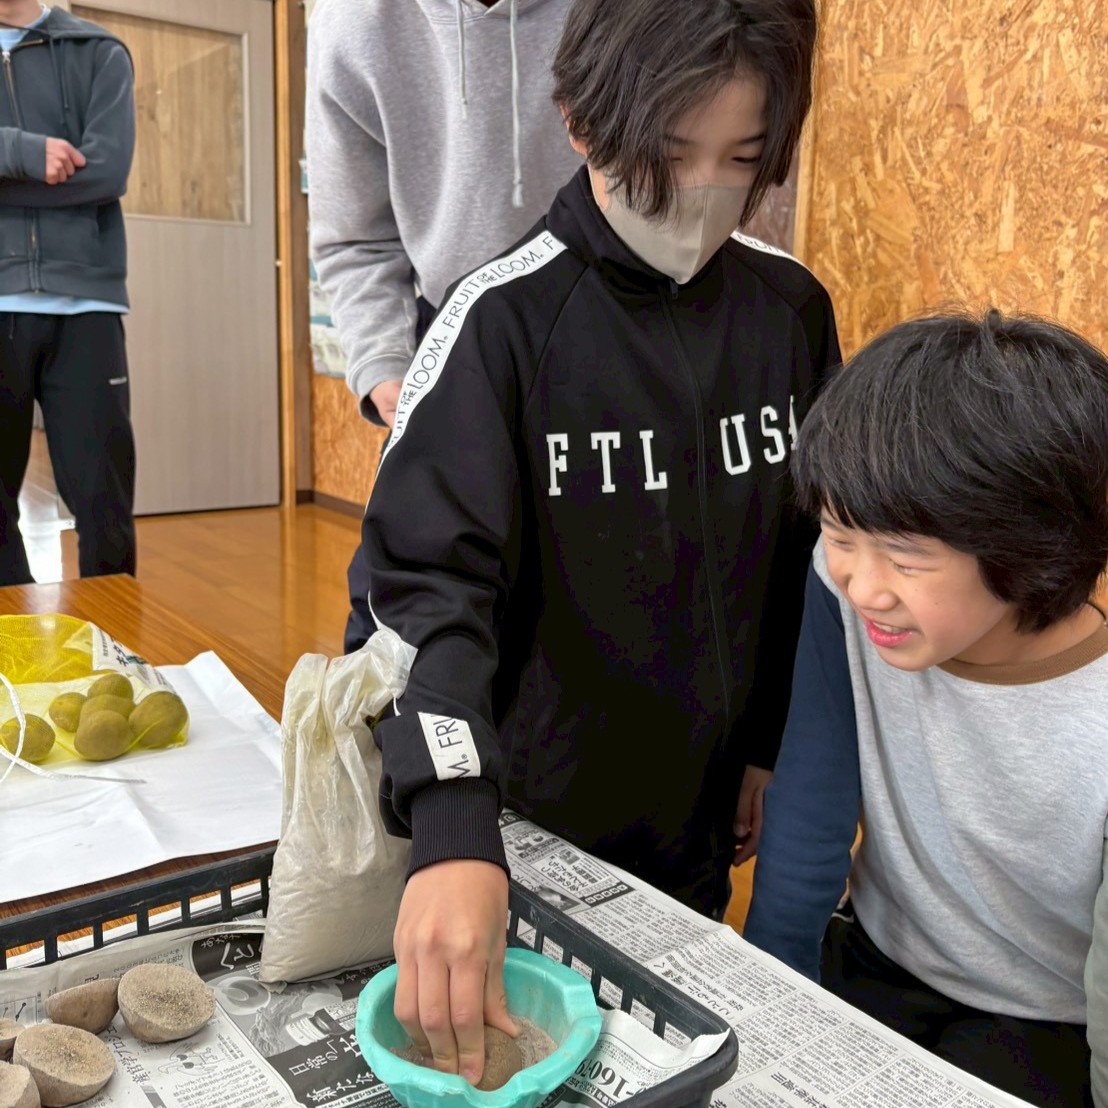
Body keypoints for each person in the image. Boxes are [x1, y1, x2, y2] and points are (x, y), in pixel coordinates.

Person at [361, 0, 838, 1086]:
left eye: (743, 159)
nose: (702, 191)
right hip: (534, 826)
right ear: (581, 119)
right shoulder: (499, 322)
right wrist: (453, 819)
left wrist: (772, 743)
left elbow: (810, 552)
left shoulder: (792, 310)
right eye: (669, 152)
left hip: (708, 808)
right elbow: (418, 595)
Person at [743, 311, 1108, 1107]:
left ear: (1031, 547)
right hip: (878, 957)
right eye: (841, 534)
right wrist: (767, 1005)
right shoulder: (845, 591)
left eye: (906, 558)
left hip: (1045, 1017)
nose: (865, 585)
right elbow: (811, 803)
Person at [305, 0, 582, 654]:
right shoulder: (353, 23)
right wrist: (385, 368)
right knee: (393, 618)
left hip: (605, 327)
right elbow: (354, 237)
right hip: (447, 337)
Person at [0, 1, 136, 586]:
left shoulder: (97, 50)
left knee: (104, 505)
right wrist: (26, 154)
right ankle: (13, 635)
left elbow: (108, 171)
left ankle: (114, 637)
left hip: (87, 307)